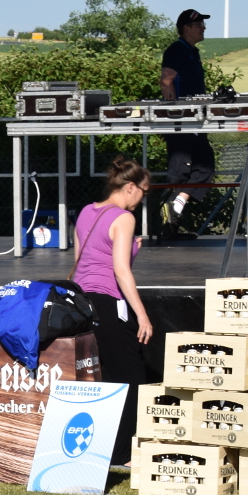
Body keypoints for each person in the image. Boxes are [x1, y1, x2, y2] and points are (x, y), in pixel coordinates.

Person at [71, 157, 156, 467]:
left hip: (82, 301)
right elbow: (120, 271)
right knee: (129, 375)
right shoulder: (124, 218)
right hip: (109, 301)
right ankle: (122, 454)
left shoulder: (86, 212)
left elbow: (82, 258)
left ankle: (102, 446)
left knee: (100, 375)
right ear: (130, 187)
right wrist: (142, 315)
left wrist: (130, 248)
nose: (142, 200)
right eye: (144, 193)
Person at [158, 9, 216, 225]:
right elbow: (166, 80)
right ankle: (167, 226)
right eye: (199, 24)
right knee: (179, 168)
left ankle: (178, 203)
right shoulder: (177, 50)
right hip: (181, 119)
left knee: (206, 164)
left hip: (195, 118)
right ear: (186, 28)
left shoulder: (193, 51)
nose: (204, 28)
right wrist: (174, 113)